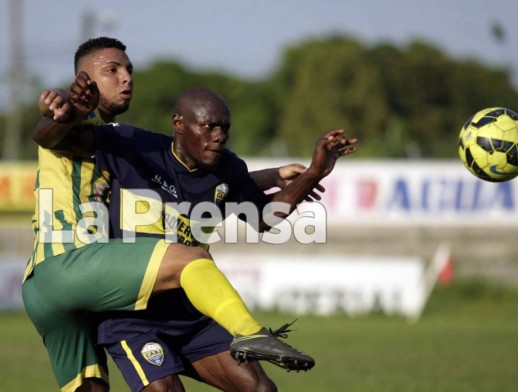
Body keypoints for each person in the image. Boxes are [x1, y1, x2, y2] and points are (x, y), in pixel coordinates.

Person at [25, 37, 326, 392]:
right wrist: (68, 108)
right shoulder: (84, 122)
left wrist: (273, 176)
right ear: (85, 79)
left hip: (47, 288)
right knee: (189, 259)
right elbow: (47, 133)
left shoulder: (120, 142)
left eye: (128, 70)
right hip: (72, 262)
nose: (127, 78)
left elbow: (191, 179)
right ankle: (251, 333)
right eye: (113, 70)